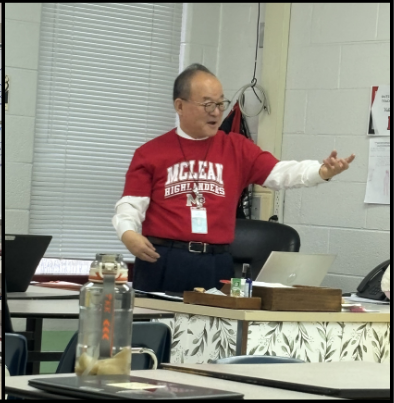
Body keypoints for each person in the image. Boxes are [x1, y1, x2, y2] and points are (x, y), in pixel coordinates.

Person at [113, 63, 355, 293]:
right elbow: (131, 204)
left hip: (216, 262)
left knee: (216, 333)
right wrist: (128, 233)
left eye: (220, 104)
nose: (217, 112)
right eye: (207, 105)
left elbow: (281, 173)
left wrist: (321, 172)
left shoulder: (236, 148)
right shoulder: (151, 152)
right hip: (164, 258)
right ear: (180, 105)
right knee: (160, 332)